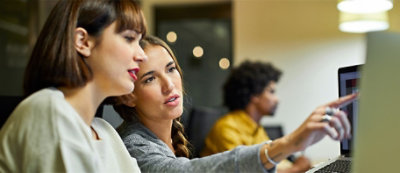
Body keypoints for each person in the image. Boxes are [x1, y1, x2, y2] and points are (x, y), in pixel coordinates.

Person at [113, 35, 357, 173]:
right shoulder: (133, 145)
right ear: (127, 94)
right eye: (150, 79)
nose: (170, 85)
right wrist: (290, 143)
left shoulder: (165, 138)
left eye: (171, 69)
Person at [0, 0, 147, 172]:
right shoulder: (50, 110)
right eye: (129, 38)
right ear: (83, 41)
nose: (142, 55)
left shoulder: (105, 132)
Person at [201, 61, 311, 173]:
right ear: (255, 94)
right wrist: (297, 168)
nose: (277, 99)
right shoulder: (226, 128)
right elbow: (245, 169)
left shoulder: (257, 128)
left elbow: (274, 162)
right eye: (271, 92)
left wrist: (298, 161)